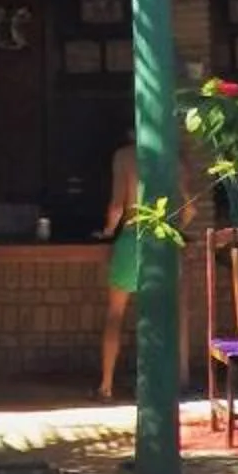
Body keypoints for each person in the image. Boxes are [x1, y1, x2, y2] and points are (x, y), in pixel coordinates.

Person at [98, 139, 141, 401]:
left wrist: (107, 232)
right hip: (162, 243)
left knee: (115, 315)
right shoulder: (174, 159)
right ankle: (154, 385)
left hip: (132, 239)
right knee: (156, 319)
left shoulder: (124, 156)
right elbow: (191, 209)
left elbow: (117, 207)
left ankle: (106, 386)